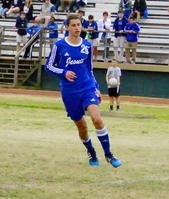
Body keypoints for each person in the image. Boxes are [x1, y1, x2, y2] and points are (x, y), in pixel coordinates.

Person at [46, 14, 121, 168]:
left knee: (97, 119)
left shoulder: (86, 45)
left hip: (87, 87)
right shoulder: (59, 46)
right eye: (73, 25)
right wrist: (63, 72)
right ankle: (91, 152)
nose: (77, 28)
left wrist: (97, 88)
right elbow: (49, 66)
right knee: (82, 126)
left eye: (79, 25)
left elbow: (89, 69)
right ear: (67, 27)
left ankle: (108, 154)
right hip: (69, 92)